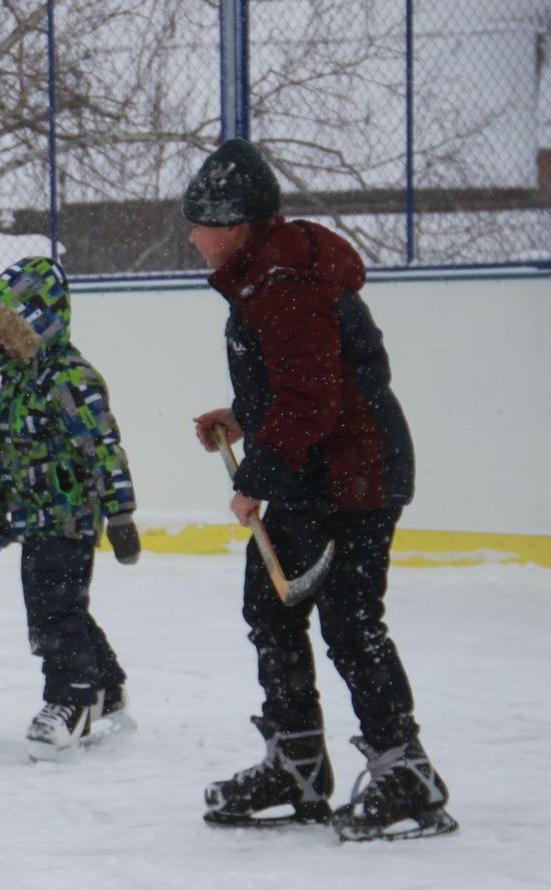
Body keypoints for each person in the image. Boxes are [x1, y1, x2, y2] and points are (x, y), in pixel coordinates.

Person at [181, 137, 455, 841]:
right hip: (320, 473)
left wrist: (254, 478)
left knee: (349, 621)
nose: (193, 236)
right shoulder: (265, 280)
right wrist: (244, 420)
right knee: (271, 609)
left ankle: (407, 771)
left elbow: (315, 399)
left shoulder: (286, 289)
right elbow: (296, 387)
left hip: (350, 479)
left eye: (202, 222)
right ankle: (297, 760)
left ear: (237, 225)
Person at [0, 256, 141, 759]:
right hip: (35, 516)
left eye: (6, 327)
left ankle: (70, 700)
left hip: (70, 516)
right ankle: (107, 688)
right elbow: (8, 452)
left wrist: (121, 511)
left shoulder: (71, 378)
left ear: (36, 324)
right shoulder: (16, 379)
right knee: (62, 608)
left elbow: (104, 446)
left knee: (51, 614)